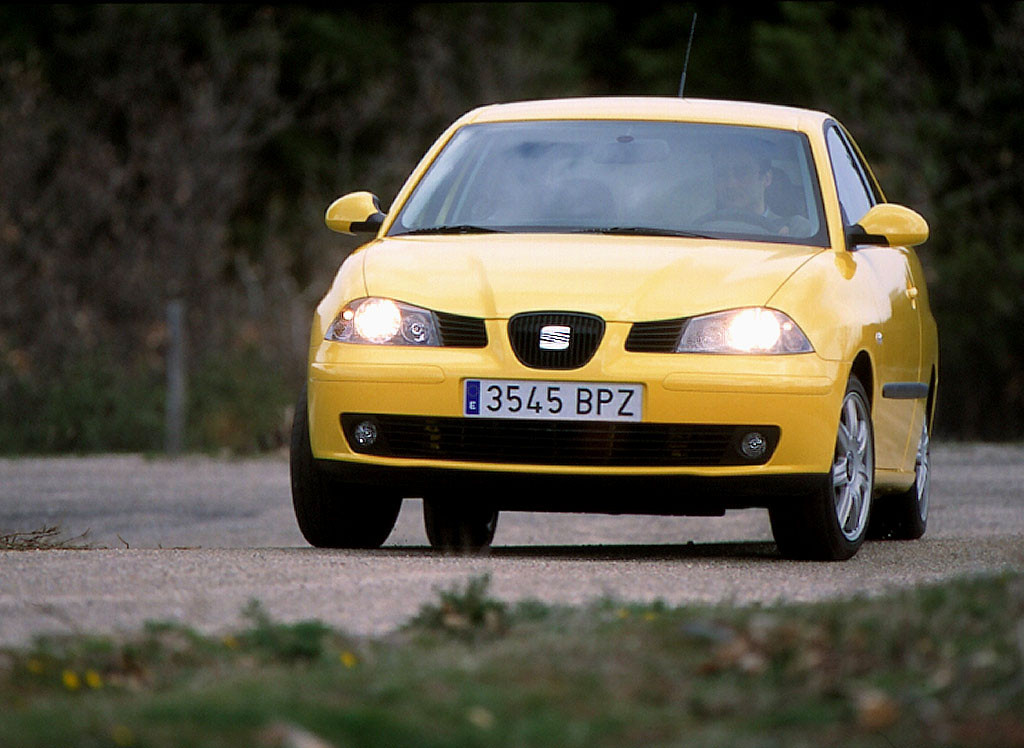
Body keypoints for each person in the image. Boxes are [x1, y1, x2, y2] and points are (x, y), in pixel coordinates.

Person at [704, 141, 812, 237]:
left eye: (742, 173)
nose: (731, 184)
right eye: (721, 174)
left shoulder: (796, 231)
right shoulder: (699, 230)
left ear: (767, 178)